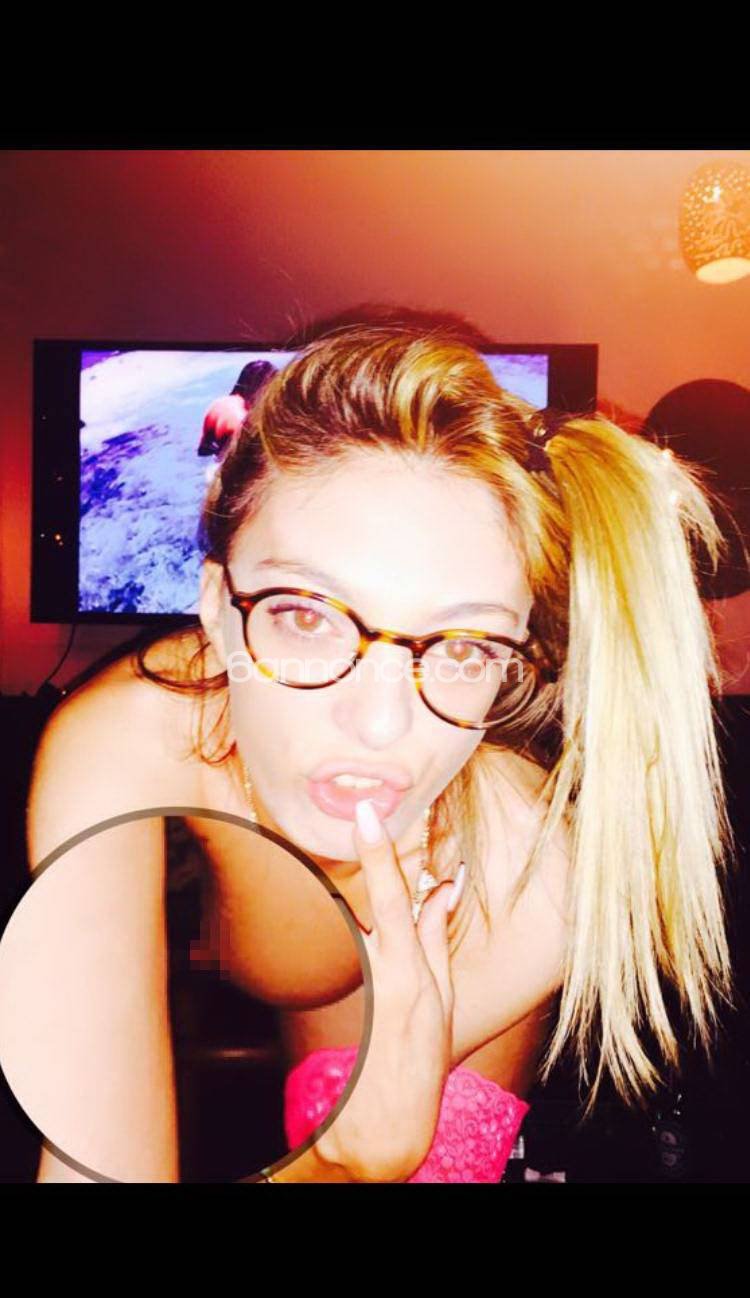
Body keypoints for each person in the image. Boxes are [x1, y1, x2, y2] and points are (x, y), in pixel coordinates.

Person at [7, 310, 737, 1183]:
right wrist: (345, 1161)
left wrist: (349, 1155)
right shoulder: (130, 734)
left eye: (466, 646)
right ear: (215, 608)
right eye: (305, 616)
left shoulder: (536, 867)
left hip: (452, 892)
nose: (384, 726)